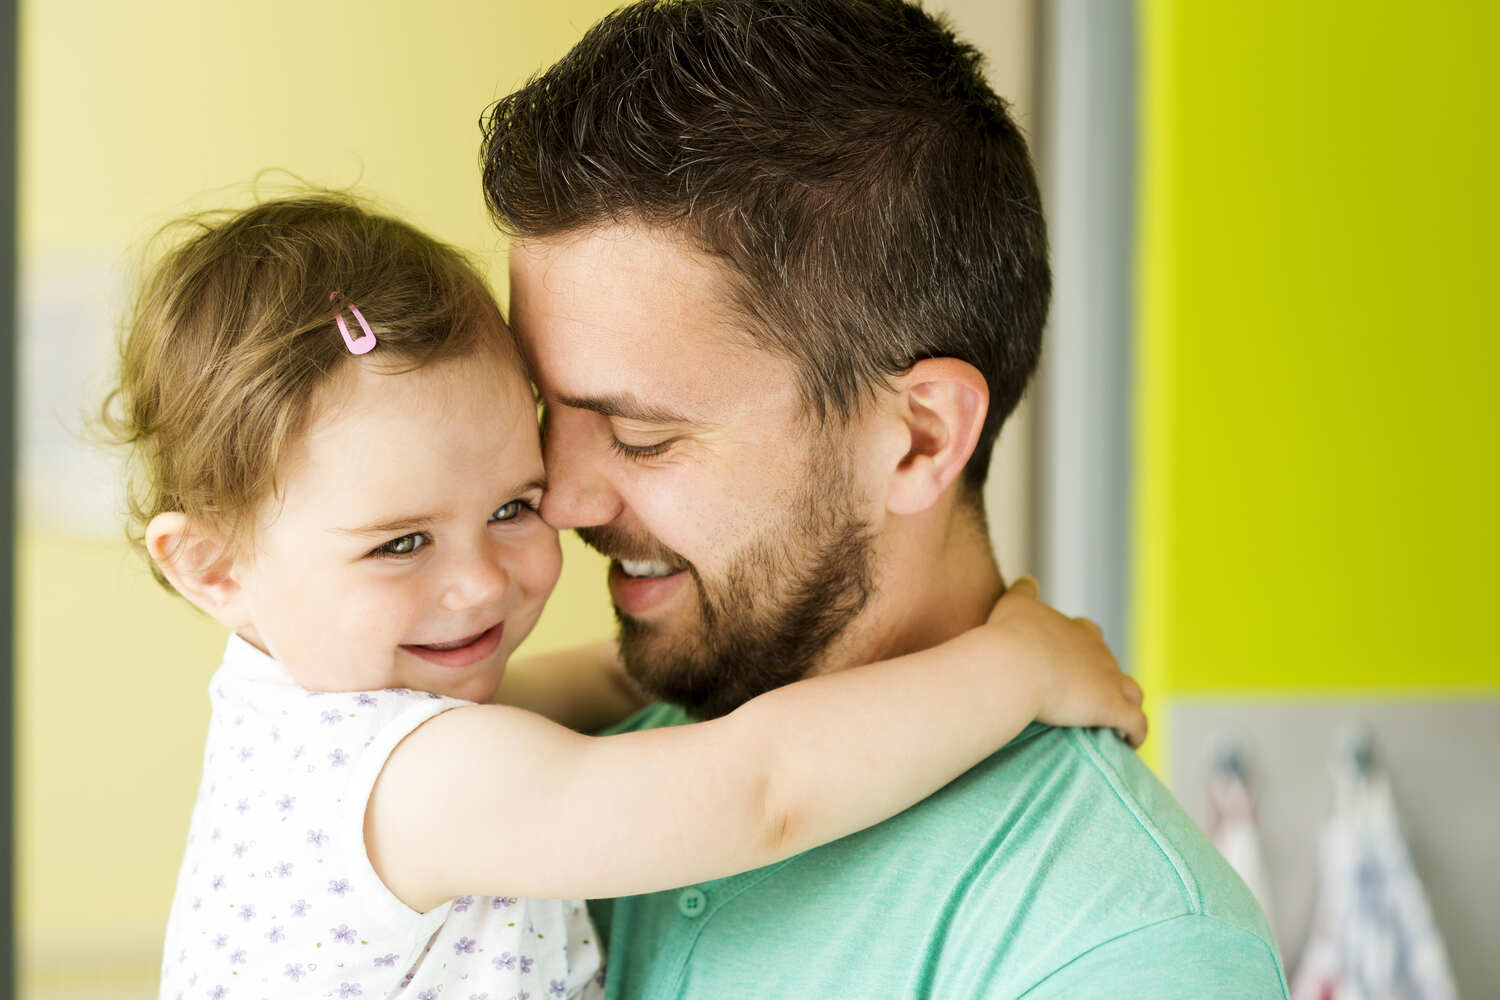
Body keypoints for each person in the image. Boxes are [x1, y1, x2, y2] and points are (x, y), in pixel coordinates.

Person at [105, 194, 1145, 999]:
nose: (478, 583)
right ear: (211, 569)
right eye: (402, 542)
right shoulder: (413, 787)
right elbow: (762, 789)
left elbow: (593, 683)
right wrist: (1021, 665)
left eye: (513, 504)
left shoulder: (317, 723)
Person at [481, 0, 1289, 995]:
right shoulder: (557, 783)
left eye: (642, 434)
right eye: (542, 412)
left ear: (919, 437)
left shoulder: (1120, 945)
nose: (558, 499)